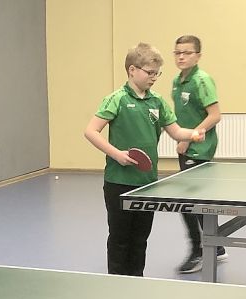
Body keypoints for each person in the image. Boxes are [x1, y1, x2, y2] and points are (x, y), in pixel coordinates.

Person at [84, 43, 204, 276]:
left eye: (157, 73)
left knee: (140, 239)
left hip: (148, 183)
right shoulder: (116, 99)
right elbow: (90, 131)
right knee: (120, 239)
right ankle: (117, 283)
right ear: (132, 70)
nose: (154, 78)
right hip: (118, 182)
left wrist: (193, 134)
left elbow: (176, 131)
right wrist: (116, 154)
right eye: (150, 72)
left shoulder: (157, 101)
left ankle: (137, 282)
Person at [170, 35, 226, 274]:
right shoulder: (176, 80)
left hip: (199, 148)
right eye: (177, 52)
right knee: (199, 202)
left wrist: (189, 137)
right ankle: (218, 245)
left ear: (198, 56)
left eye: (187, 52)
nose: (181, 56)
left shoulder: (202, 80)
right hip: (187, 145)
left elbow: (215, 115)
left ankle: (198, 251)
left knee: (187, 203)